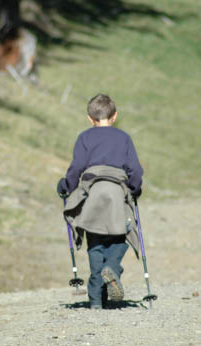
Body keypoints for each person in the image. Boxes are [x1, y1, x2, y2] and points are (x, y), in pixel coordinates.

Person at [57, 93, 143, 309]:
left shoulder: (84, 137)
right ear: (114, 117)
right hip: (116, 192)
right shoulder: (123, 138)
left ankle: (96, 300)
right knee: (121, 237)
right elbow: (135, 169)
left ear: (89, 118)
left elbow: (76, 168)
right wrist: (135, 188)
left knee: (95, 243)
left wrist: (65, 186)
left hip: (92, 193)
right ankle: (112, 267)